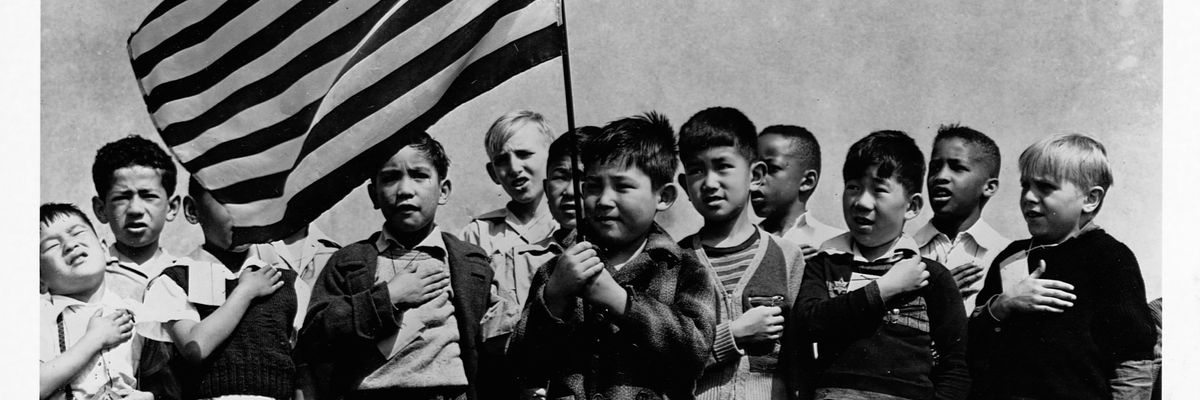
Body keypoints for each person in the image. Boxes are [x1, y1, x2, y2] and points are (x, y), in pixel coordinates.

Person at [510, 112, 718, 399]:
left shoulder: (685, 269)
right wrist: (554, 296)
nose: (604, 200)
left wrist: (620, 301)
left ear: (664, 196)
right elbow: (521, 363)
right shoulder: (558, 270)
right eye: (593, 186)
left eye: (622, 186)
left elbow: (694, 354)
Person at [298, 133, 511, 400]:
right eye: (389, 178)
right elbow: (316, 333)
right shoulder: (349, 261)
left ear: (443, 191)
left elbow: (497, 343)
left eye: (419, 175)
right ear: (373, 194)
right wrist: (388, 297)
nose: (405, 190)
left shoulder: (470, 263)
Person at [968, 134, 1156, 400]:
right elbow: (974, 342)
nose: (1029, 197)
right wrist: (1002, 305)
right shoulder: (1010, 256)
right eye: (1025, 186)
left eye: (1045, 187)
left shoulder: (1110, 258)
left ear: (1090, 198)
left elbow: (1132, 358)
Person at [785, 130, 969, 400]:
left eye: (879, 190)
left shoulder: (931, 275)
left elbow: (955, 366)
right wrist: (883, 289)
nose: (861, 202)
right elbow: (807, 323)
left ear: (912, 206)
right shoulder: (824, 264)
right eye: (853, 187)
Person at [676, 108, 806, 400]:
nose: (709, 182)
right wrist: (732, 335)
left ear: (755, 175)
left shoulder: (787, 255)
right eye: (697, 170)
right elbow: (667, 358)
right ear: (685, 185)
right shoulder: (675, 260)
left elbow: (801, 354)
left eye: (722, 166)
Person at [138, 180, 304, 400]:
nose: (244, 216)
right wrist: (244, 292)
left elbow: (304, 366)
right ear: (192, 210)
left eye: (252, 203)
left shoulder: (286, 281)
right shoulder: (175, 280)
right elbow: (195, 347)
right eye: (230, 203)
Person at [40, 203, 152, 400]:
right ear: (39, 280)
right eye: (52, 245)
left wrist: (148, 396)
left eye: (77, 233)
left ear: (104, 249)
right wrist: (94, 339)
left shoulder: (137, 313)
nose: (70, 245)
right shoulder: (40, 317)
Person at [460, 111, 559, 300]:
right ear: (493, 173)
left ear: (552, 158)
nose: (514, 168)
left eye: (524, 154)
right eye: (502, 161)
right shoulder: (478, 234)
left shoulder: (572, 223)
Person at [912, 124, 1010, 314]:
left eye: (957, 168)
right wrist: (934, 297)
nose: (940, 177)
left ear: (989, 187)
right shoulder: (903, 250)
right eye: (935, 167)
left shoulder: (1006, 256)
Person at [90, 135, 182, 300]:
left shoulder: (186, 273)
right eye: (121, 198)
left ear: (171, 207)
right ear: (101, 209)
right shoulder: (87, 275)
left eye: (148, 196)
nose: (135, 209)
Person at [752, 125, 841, 256]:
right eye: (753, 170)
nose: (755, 180)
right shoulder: (738, 244)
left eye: (771, 168)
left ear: (807, 181)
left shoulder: (834, 244)